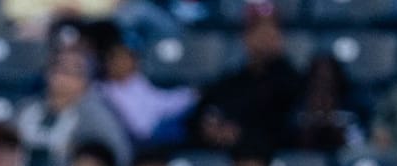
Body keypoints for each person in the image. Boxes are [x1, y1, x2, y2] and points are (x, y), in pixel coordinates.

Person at [192, 9, 302, 151]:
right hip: (226, 154)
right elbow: (204, 113)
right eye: (259, 31)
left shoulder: (293, 83)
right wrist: (211, 129)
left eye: (272, 31)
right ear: (246, 37)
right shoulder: (230, 82)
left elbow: (282, 125)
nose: (266, 38)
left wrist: (241, 134)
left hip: (268, 155)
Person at [15, 51, 132, 166]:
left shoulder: (97, 116)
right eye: (58, 70)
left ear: (86, 80)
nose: (62, 78)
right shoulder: (26, 108)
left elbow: (120, 157)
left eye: (72, 72)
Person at [99, 36, 195, 143]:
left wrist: (190, 95)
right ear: (109, 63)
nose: (129, 62)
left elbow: (161, 103)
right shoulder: (104, 91)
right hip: (145, 137)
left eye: (129, 58)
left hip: (161, 124)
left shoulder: (136, 80)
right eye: (120, 59)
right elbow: (139, 128)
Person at [293, 53, 366, 152]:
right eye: (319, 79)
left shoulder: (351, 114)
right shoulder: (298, 115)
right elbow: (289, 152)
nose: (324, 80)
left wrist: (339, 133)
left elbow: (358, 150)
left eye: (328, 80)